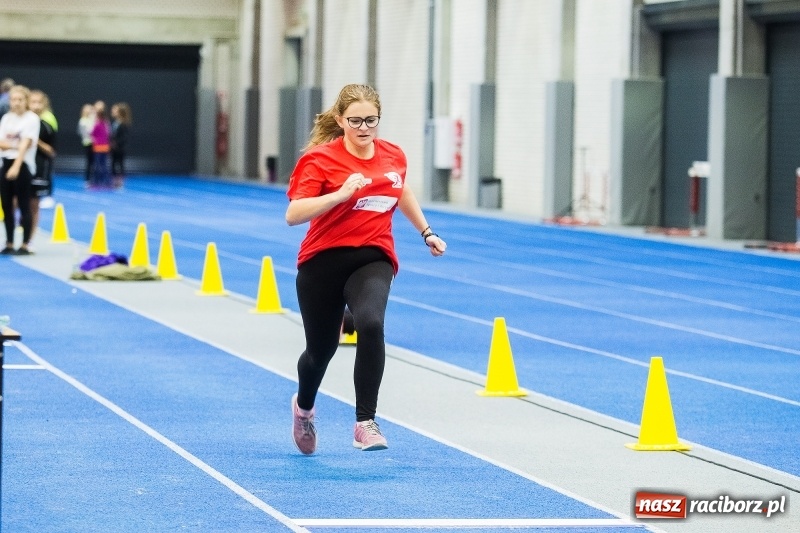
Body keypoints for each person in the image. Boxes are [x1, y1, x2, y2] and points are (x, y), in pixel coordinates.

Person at [285, 83, 446, 455]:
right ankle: (304, 407)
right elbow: (294, 214)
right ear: (340, 120)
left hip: (373, 257)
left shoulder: (393, 155)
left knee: (370, 324)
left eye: (371, 120)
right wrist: (340, 194)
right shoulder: (320, 160)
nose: (363, 127)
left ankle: (364, 423)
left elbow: (400, 190)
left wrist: (426, 231)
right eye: (355, 120)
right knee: (320, 351)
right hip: (322, 261)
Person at [0, 85, 40, 255]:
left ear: (26, 101)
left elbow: (26, 144)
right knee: (6, 205)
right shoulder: (6, 118)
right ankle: (9, 242)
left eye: (19, 100)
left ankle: (25, 244)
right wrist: (14, 145)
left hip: (23, 165)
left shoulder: (31, 119)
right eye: (13, 100)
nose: (16, 103)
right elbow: (1, 143)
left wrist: (17, 165)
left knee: (24, 204)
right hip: (6, 162)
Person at [28, 90, 58, 242]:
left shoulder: (46, 126)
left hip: (39, 168)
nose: (36, 106)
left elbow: (52, 151)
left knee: (33, 204)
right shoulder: (19, 122)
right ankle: (10, 239)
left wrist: (36, 141)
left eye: (39, 103)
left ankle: (29, 240)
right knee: (13, 202)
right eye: (33, 102)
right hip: (21, 167)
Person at [110, 102, 131, 188]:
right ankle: (114, 181)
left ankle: (120, 182)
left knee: (120, 164)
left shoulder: (123, 124)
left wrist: (117, 143)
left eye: (116, 110)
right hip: (113, 147)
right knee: (113, 164)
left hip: (120, 148)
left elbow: (124, 137)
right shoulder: (115, 123)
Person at [90, 102, 111, 188]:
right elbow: (108, 134)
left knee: (97, 165)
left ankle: (96, 182)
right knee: (104, 165)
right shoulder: (106, 123)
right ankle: (106, 182)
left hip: (98, 147)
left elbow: (92, 133)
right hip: (105, 146)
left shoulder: (97, 124)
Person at [77, 103, 95, 186]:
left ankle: (94, 179)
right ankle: (87, 179)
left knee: (94, 162)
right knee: (89, 162)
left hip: (95, 143)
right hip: (88, 143)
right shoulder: (83, 120)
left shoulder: (92, 119)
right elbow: (86, 132)